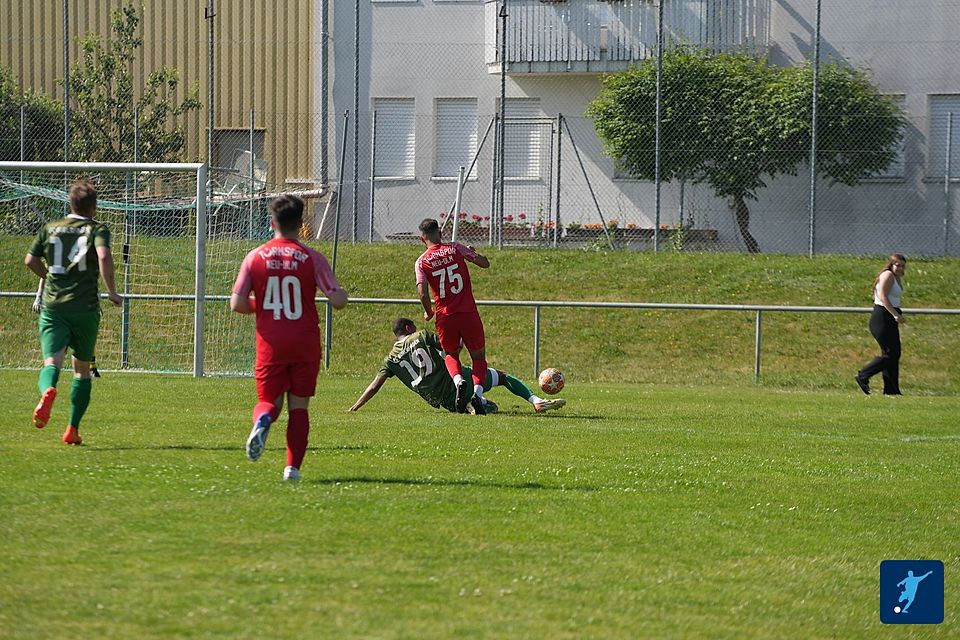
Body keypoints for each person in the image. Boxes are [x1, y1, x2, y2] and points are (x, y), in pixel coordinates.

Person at [230, 194, 348, 481]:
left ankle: (263, 419)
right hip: (305, 342)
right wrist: (340, 294)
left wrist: (267, 307)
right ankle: (292, 469)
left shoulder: (254, 257)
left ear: (272, 222)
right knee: (299, 406)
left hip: (271, 343)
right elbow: (337, 299)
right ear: (301, 223)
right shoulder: (312, 258)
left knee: (269, 400)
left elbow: (237, 303)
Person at [24, 180, 121, 444]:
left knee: (51, 363)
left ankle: (48, 390)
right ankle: (72, 429)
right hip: (86, 309)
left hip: (54, 308)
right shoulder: (97, 229)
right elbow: (103, 256)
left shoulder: (50, 228)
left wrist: (50, 276)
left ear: (71, 203)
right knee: (82, 370)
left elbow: (30, 260)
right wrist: (111, 291)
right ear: (94, 206)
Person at [348, 318, 566, 415]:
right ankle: (536, 402)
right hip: (455, 378)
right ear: (409, 327)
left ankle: (474, 404)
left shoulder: (391, 359)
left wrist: (355, 407)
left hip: (444, 401)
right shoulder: (421, 335)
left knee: (493, 407)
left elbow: (374, 386)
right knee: (502, 377)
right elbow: (451, 348)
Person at [415, 218, 491, 415]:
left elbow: (422, 293)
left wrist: (429, 311)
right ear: (439, 232)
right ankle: (477, 394)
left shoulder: (422, 262)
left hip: (445, 315)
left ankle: (458, 382)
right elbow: (485, 264)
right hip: (468, 313)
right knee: (478, 357)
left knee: (451, 354)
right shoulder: (456, 248)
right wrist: (472, 251)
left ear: (422, 239)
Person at [856, 254, 906, 395]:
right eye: (898, 265)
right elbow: (883, 297)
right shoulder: (888, 275)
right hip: (882, 316)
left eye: (902, 265)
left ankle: (891, 390)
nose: (900, 268)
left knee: (892, 353)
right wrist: (895, 315)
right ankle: (863, 375)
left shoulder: (896, 277)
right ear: (891, 264)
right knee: (892, 353)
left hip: (889, 316)